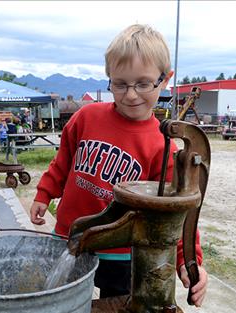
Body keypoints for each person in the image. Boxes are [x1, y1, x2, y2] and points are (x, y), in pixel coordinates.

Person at [30, 24, 207, 306]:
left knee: (117, 306)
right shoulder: (86, 118)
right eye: (120, 84)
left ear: (165, 80)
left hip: (123, 252)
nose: (131, 94)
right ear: (109, 78)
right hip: (71, 235)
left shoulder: (164, 148)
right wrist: (44, 193)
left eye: (143, 83)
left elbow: (177, 212)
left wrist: (189, 261)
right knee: (63, 304)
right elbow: (62, 161)